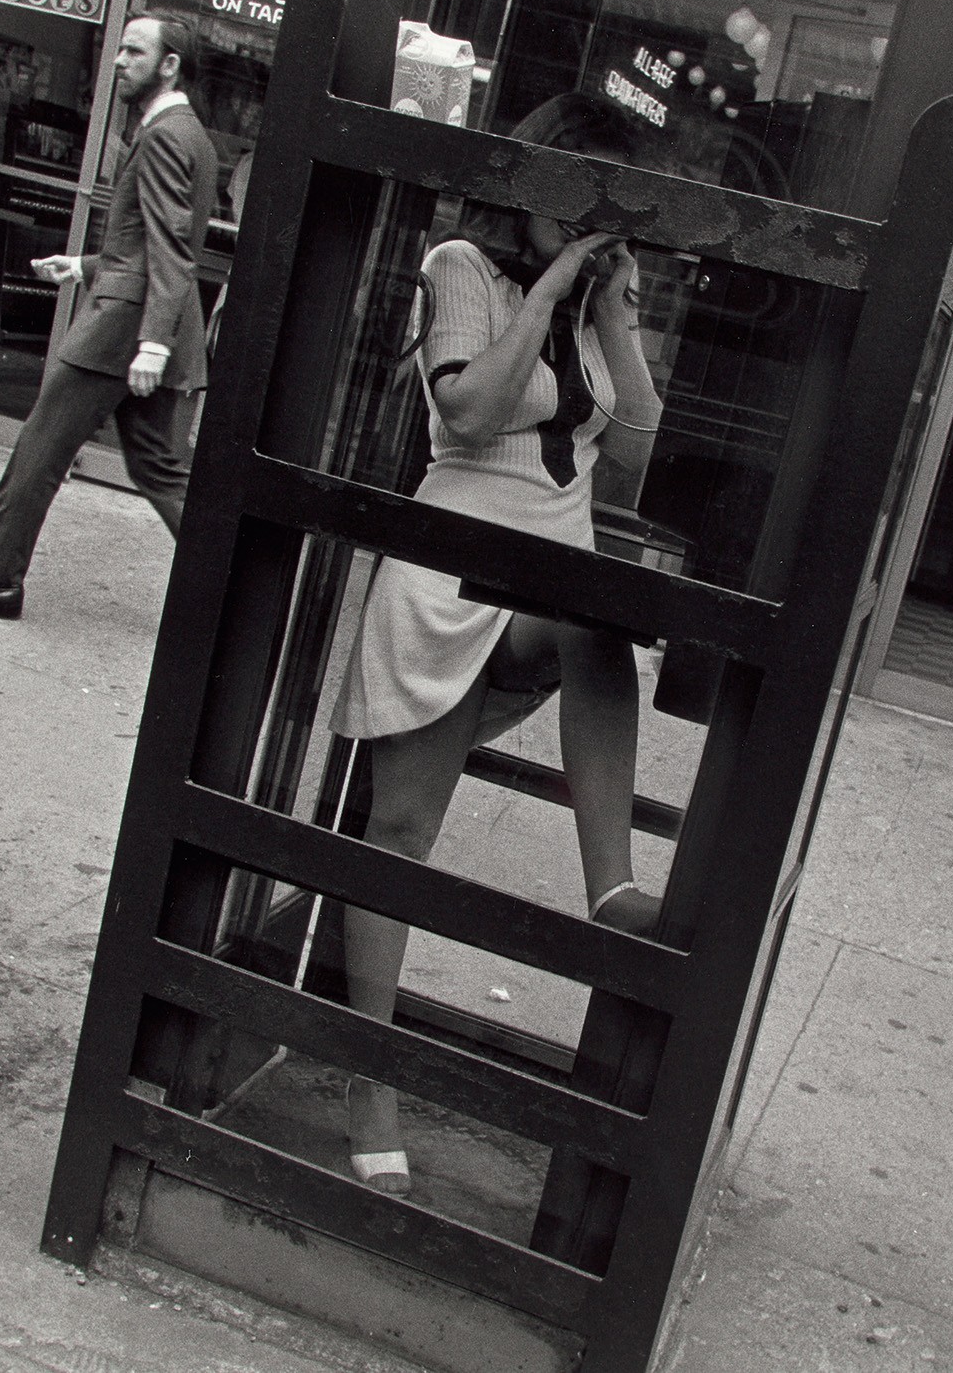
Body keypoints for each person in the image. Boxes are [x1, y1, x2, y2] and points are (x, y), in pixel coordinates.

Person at [330, 95, 663, 1194]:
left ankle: (609, 887)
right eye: (573, 193)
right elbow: (467, 414)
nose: (584, 219)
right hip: (447, 566)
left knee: (595, 622)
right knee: (398, 832)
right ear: (530, 180)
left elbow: (635, 446)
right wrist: (554, 284)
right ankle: (366, 1077)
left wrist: (609, 306)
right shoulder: (462, 265)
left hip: (542, 573)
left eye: (606, 206)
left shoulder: (596, 297)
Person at [0, 12, 218, 619]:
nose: (118, 61)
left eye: (134, 52)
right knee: (159, 468)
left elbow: (170, 245)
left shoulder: (165, 135)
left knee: (42, 444)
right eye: (119, 50)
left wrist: (151, 344)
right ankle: (234, 582)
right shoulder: (192, 135)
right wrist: (87, 266)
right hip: (145, 316)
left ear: (170, 66)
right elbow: (155, 242)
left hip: (124, 329)